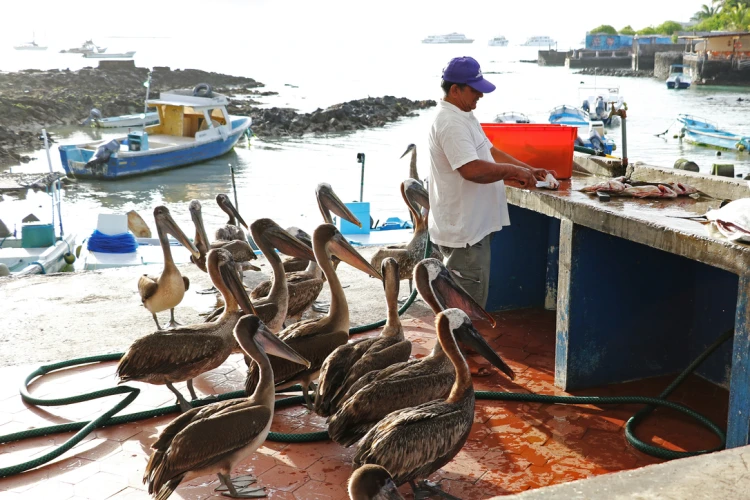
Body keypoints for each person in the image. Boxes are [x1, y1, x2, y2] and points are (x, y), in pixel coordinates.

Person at [428, 56, 556, 308]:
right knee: (465, 315)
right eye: (475, 90)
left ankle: (459, 347)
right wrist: (511, 172)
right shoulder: (450, 122)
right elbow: (471, 169)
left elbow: (489, 151)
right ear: (455, 90)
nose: (480, 95)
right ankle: (457, 349)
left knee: (466, 309)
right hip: (465, 234)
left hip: (473, 229)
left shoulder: (463, 114)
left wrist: (528, 169)